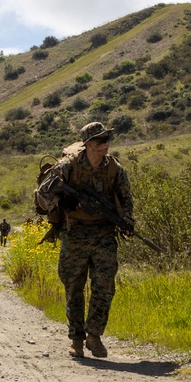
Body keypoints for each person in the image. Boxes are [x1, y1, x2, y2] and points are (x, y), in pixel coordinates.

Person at [36, 122, 134, 359]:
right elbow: (43, 193)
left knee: (105, 286)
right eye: (100, 141)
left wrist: (127, 221)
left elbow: (126, 197)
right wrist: (61, 203)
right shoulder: (67, 167)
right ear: (88, 143)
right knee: (73, 288)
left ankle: (94, 335)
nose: (105, 145)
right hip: (75, 233)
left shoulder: (114, 168)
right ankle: (77, 339)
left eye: (107, 140)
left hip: (104, 234)